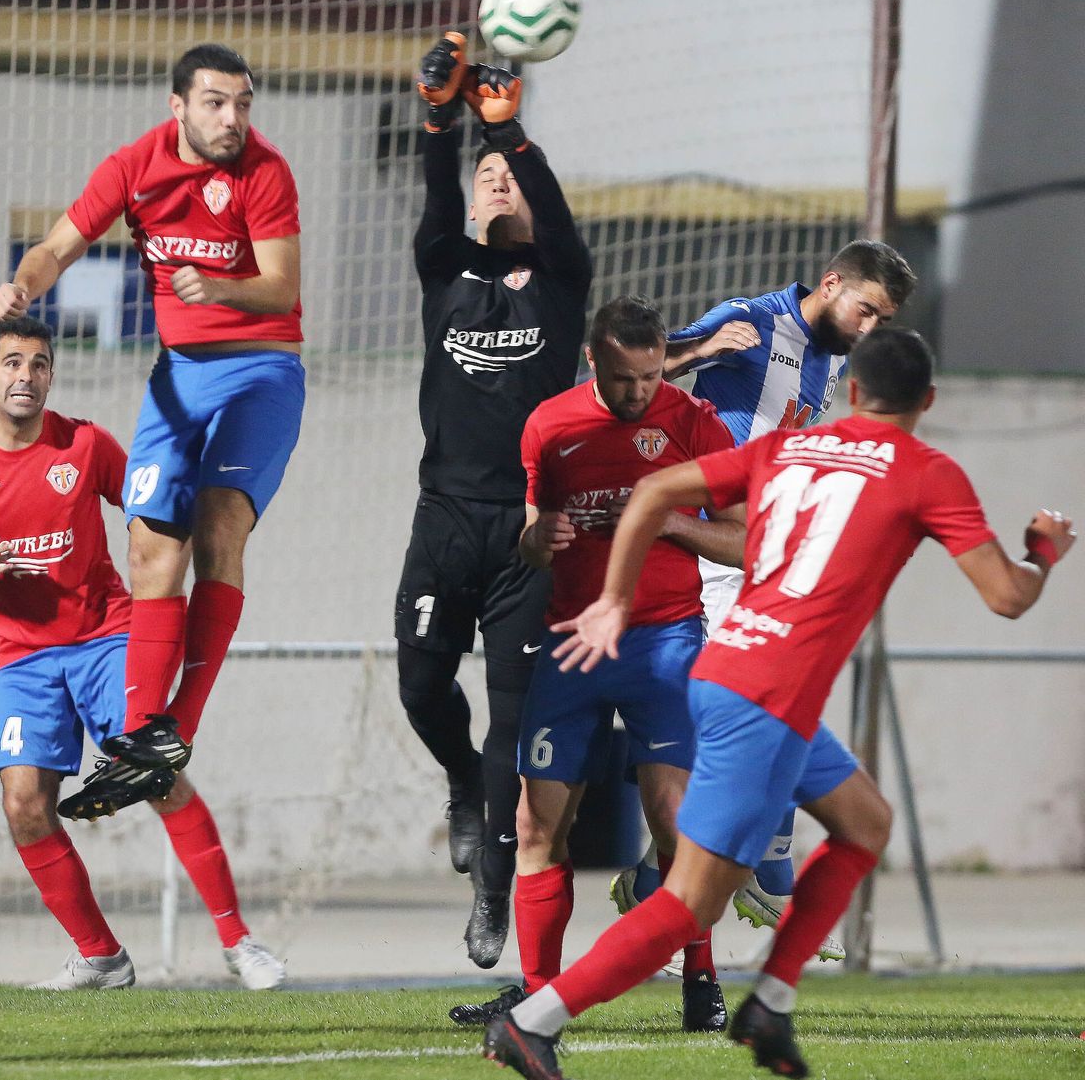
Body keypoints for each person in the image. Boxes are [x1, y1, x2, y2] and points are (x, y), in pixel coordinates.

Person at [482, 327, 1074, 1080]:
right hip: (765, 695)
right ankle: (532, 1023)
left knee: (865, 822)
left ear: (852, 391)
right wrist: (1043, 549)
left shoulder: (788, 448)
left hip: (736, 668)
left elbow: (658, 488)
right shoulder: (928, 470)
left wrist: (613, 597)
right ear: (927, 401)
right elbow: (1007, 595)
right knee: (688, 905)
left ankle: (771, 1000)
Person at [0, 44, 303, 819]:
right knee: (148, 547)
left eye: (243, 104)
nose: (233, 118)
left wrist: (218, 284)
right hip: (178, 375)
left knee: (218, 526)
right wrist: (23, 284)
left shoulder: (265, 171)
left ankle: (177, 728)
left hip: (262, 368)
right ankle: (137, 735)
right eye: (217, 103)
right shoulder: (133, 165)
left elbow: (283, 285)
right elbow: (58, 245)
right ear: (178, 107)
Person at [0, 316, 284, 990]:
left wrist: (214, 524)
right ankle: (101, 955)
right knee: (24, 804)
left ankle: (241, 942)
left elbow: (153, 507)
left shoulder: (85, 444)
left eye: (37, 364)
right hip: (23, 660)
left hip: (105, 640)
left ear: (51, 375)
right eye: (11, 363)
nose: (24, 375)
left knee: (159, 775)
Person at [612, 239, 916, 957]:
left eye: (884, 318)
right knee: (762, 706)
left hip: (761, 553)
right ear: (832, 282)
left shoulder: (837, 351)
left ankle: (668, 886)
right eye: (867, 308)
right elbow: (630, 370)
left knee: (771, 711)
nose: (871, 326)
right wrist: (699, 350)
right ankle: (744, 874)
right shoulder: (749, 320)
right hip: (716, 550)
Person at [450, 296, 742, 1034]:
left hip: (665, 641)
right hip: (572, 644)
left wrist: (666, 518)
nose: (636, 393)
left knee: (675, 824)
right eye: (621, 378)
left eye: (647, 377)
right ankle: (540, 994)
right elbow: (528, 535)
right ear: (593, 361)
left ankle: (700, 976)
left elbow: (747, 540)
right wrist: (537, 538)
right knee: (537, 821)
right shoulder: (551, 425)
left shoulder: (693, 423)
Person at [395, 32, 592, 970]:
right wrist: (443, 121)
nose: (495, 183)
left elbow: (551, 210)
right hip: (443, 519)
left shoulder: (562, 279)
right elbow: (438, 194)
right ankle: (459, 788)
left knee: (513, 731)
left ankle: (492, 899)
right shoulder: (446, 266)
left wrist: (509, 134)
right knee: (422, 686)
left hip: (526, 534)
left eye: (504, 175)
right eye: (485, 177)